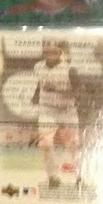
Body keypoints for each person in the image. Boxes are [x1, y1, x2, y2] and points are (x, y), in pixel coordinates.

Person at [31, 39, 82, 188]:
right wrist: (35, 96)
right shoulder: (38, 67)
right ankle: (53, 177)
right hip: (47, 110)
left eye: (54, 50)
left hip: (67, 110)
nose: (50, 52)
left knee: (72, 144)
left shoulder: (69, 69)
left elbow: (79, 90)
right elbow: (40, 83)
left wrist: (61, 92)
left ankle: (80, 174)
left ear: (61, 52)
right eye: (47, 49)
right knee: (45, 143)